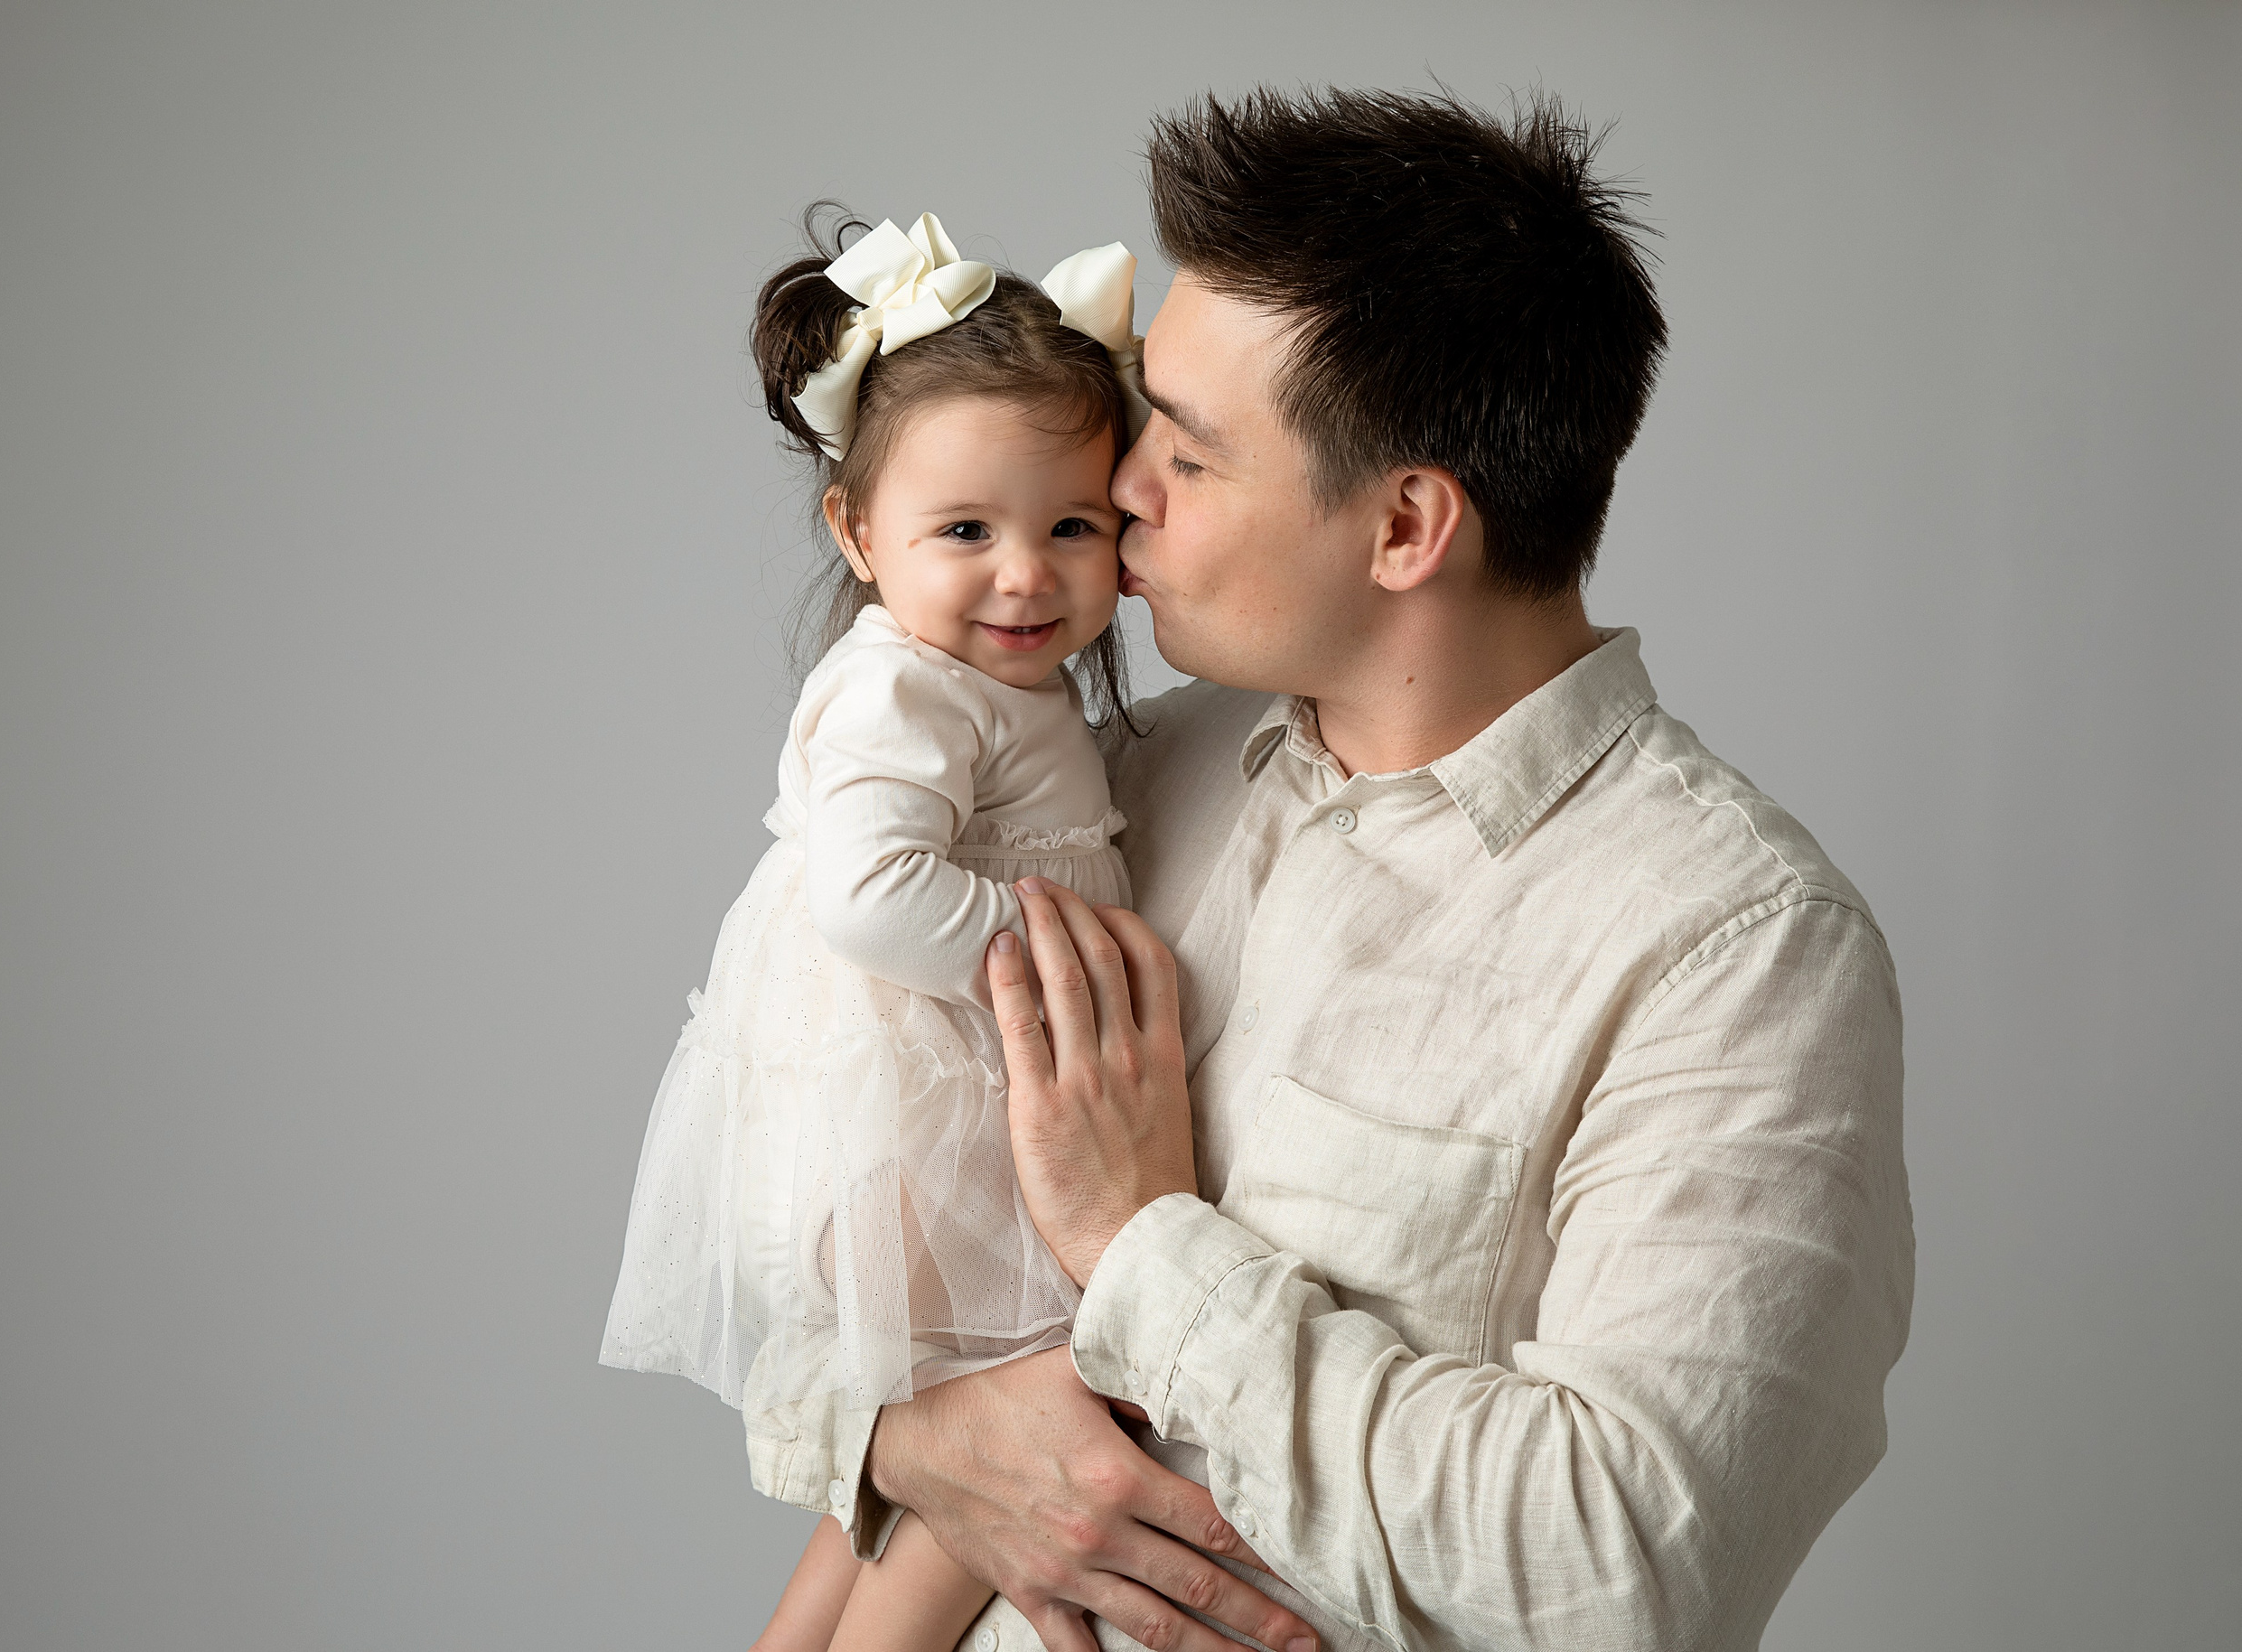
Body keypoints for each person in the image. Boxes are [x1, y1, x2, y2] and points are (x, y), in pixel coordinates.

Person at [847, 89, 1918, 1652]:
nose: (1121, 484)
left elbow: (1629, 1567)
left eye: (1192, 457)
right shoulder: (1123, 779)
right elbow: (829, 1149)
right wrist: (924, 1437)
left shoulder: (1738, 949)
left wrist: (1143, 1246)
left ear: (1409, 523)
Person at [594, 210, 1322, 1652]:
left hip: (921, 1116)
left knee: (920, 1445)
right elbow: (866, 894)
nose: (1026, 576)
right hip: (917, 1121)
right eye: (966, 532)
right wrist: (1062, 950)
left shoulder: (1000, 686)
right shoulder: (906, 691)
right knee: (1021, 1416)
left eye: (1072, 526)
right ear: (857, 533)